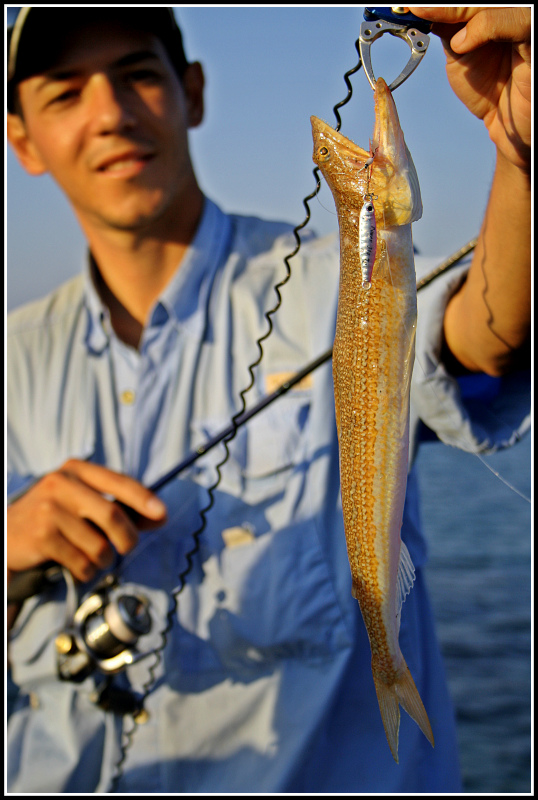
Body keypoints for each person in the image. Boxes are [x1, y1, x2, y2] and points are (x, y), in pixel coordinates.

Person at [6, 6, 530, 793]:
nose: (109, 113)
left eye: (137, 74)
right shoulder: (12, 365)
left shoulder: (327, 279)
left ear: (193, 92)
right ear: (22, 140)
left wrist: (521, 157)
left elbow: (482, 337)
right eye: (64, 91)